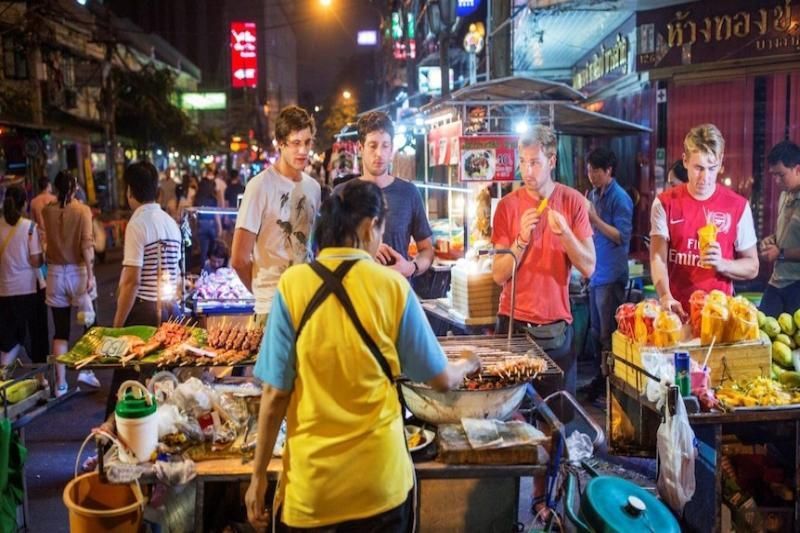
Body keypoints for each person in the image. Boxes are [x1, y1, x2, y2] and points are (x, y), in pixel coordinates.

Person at [245, 179, 480, 531]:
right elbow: (442, 380)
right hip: (380, 487)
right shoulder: (392, 286)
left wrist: (258, 476)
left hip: (312, 493)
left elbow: (275, 393)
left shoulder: (292, 286)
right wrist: (468, 363)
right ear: (370, 227)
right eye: (382, 230)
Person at [491, 125, 595, 397]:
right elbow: (498, 275)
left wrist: (566, 235)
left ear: (551, 161)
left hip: (556, 329)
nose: (527, 171)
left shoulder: (572, 202)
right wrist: (521, 240)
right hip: (513, 325)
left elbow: (589, 266)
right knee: (512, 411)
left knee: (559, 416)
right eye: (523, 162)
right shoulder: (507, 206)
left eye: (535, 163)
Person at [650, 124, 759, 318]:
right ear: (685, 161)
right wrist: (665, 295)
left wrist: (723, 264)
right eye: (698, 168)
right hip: (677, 314)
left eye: (712, 168)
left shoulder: (738, 206)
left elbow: (752, 267)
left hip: (720, 316)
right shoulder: (665, 203)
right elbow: (658, 257)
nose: (705, 177)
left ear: (721, 162)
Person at [231, 105, 321, 319]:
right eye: (295, 143)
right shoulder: (259, 186)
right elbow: (239, 259)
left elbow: (310, 246)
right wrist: (263, 293)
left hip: (307, 302)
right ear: (281, 144)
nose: (303, 151)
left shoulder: (314, 188)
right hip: (271, 307)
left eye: (307, 142)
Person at [336, 111, 435, 278]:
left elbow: (427, 249)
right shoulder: (342, 194)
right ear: (361, 148)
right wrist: (365, 250)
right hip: (355, 297)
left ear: (392, 149)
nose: (379, 154)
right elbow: (328, 253)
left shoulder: (408, 193)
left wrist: (411, 267)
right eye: (373, 145)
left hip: (398, 295)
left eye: (385, 146)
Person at [581, 147, 633, 401]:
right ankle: (600, 379)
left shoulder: (620, 198)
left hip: (611, 275)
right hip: (595, 273)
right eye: (588, 170)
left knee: (608, 334)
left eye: (595, 170)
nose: (591, 175)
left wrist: (595, 218)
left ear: (608, 171)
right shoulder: (594, 194)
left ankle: (612, 385)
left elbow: (621, 236)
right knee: (595, 332)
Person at [42, 171, 97, 396]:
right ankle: (88, 370)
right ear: (75, 188)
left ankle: (61, 383)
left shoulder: (47, 211)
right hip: (79, 273)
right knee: (89, 325)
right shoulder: (83, 211)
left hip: (55, 274)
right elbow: (86, 246)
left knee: (60, 331)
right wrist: (91, 274)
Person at [113, 161, 182, 328]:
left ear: (129, 191)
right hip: (172, 310)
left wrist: (117, 325)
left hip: (144, 313)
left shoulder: (137, 224)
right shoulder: (170, 223)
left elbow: (132, 282)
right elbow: (177, 274)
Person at [0, 186, 48, 380]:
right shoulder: (29, 228)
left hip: (3, 291)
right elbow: (36, 261)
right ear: (24, 203)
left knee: (8, 337)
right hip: (28, 290)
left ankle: (4, 379)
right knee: (35, 335)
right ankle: (41, 379)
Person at [759, 140, 800, 317]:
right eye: (774, 175)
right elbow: (789, 233)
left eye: (781, 175)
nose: (776, 181)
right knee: (762, 335)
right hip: (777, 281)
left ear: (797, 169)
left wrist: (780, 253)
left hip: (797, 283)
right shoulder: (784, 195)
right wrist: (773, 240)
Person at [194, 171, 221, 268]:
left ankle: (204, 271)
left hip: (201, 225)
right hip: (211, 225)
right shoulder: (212, 198)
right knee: (213, 250)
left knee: (203, 252)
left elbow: (195, 216)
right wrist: (219, 229)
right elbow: (216, 214)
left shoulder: (197, 198)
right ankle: (213, 271)